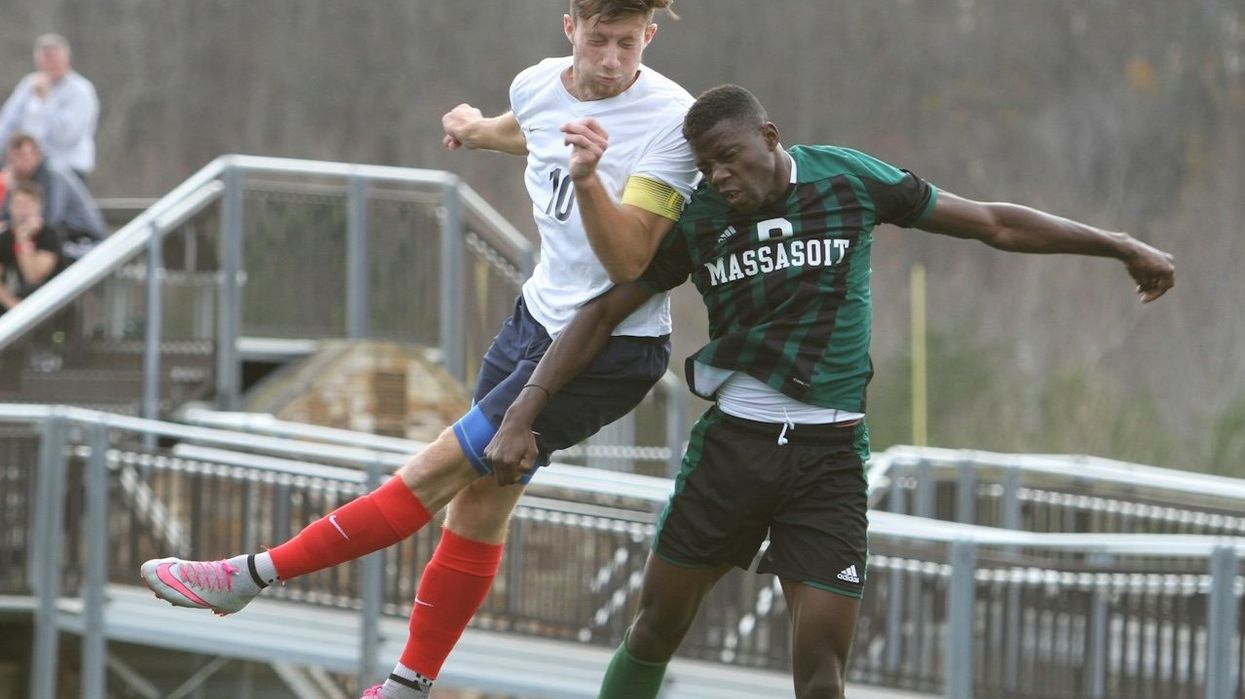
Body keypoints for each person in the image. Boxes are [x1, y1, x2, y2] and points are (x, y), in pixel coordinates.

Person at [482, 84, 1176, 699]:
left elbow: (991, 222)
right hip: (733, 449)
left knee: (820, 673)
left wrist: (1116, 243)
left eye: (729, 156)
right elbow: (602, 311)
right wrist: (522, 412)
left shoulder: (847, 180)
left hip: (830, 460)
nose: (719, 175)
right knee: (655, 627)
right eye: (706, 167)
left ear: (769, 136)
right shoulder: (700, 219)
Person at [140, 2, 698, 698]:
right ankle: (406, 687)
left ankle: (248, 576)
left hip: (606, 347)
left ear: (649, 35)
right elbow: (528, 128)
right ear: (569, 29)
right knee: (478, 506)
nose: (611, 60)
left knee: (435, 469)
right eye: (597, 40)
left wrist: (588, 177)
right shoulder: (536, 84)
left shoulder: (674, 121)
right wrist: (477, 132)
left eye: (626, 43)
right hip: (533, 322)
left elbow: (628, 261)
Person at [0, 33, 98, 181]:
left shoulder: (81, 90)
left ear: (66, 60)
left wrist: (44, 101)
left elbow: (66, 134)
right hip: (27, 169)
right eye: (44, 61)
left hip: (66, 169)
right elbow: (8, 123)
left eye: (54, 60)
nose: (49, 66)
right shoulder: (28, 85)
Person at [2, 133, 107, 266]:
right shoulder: (15, 179)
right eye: (13, 159)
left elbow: (50, 219)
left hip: (82, 238)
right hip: (53, 237)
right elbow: (7, 216)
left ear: (37, 156)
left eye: (24, 157)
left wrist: (18, 229)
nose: (19, 164)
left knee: (46, 257)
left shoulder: (53, 176)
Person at [0, 180, 62, 313]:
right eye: (19, 204)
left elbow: (32, 276)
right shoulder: (4, 238)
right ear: (9, 207)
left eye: (29, 204)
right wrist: (10, 302)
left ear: (38, 206)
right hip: (13, 304)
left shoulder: (49, 236)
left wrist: (22, 240)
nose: (24, 211)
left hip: (47, 306)